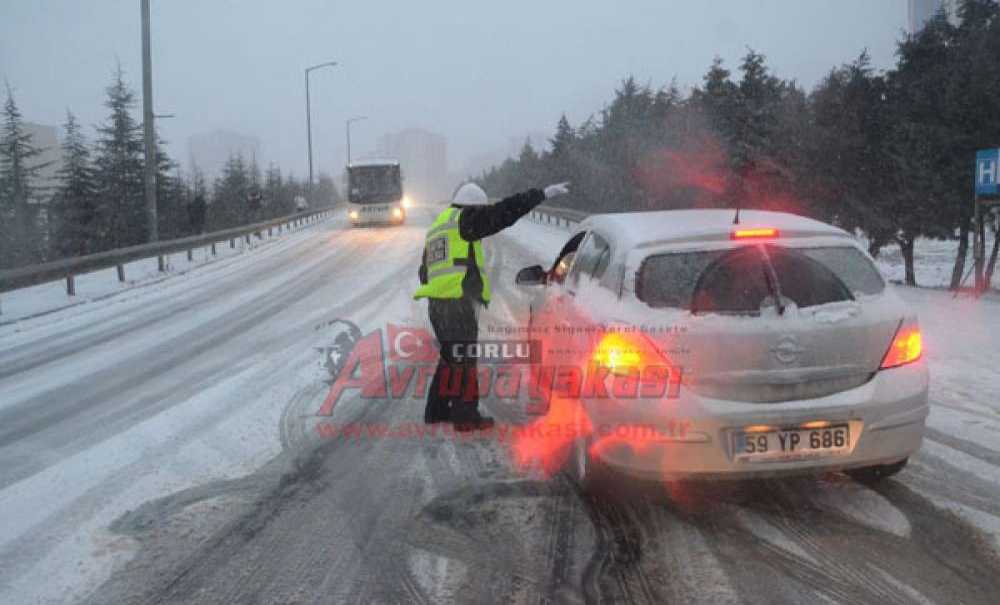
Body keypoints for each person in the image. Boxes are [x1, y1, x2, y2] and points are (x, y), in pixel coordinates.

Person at [414, 181, 570, 431]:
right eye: (480, 211)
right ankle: (466, 417)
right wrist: (539, 193)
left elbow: (424, 271)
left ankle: (437, 410)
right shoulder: (465, 220)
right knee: (463, 359)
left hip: (438, 306)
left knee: (450, 357)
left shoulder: (440, 226)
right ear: (473, 208)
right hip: (456, 306)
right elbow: (502, 213)